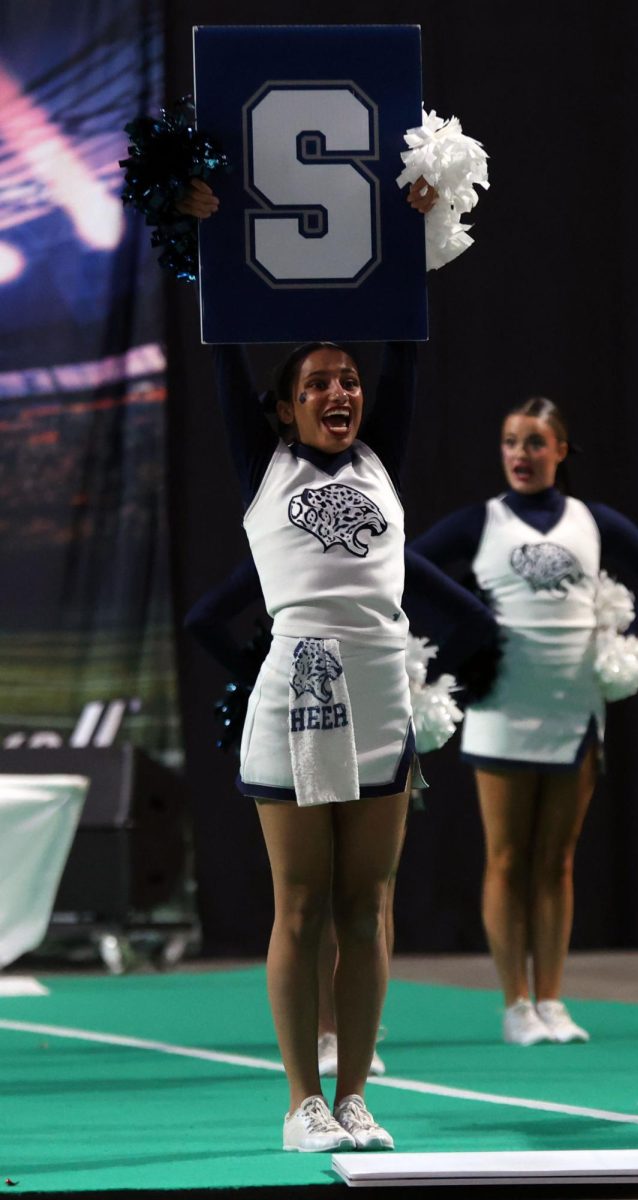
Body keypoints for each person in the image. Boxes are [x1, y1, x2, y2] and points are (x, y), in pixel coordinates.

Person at [177, 175, 437, 1153]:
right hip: (297, 686)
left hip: (378, 683)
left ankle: (358, 1093)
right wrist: (204, 245)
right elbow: (221, 352)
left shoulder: (379, 460)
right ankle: (300, 1102)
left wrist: (412, 233)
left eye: (348, 380)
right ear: (283, 409)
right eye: (318, 383)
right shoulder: (267, 464)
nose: (340, 391)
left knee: (368, 902)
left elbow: (407, 346)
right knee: (301, 899)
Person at [411, 396, 638, 1046]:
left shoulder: (593, 522)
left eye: (534, 443)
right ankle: (515, 1005)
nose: (520, 455)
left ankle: (553, 999)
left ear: (561, 451)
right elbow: (408, 563)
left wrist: (623, 628)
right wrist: (465, 627)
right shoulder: (483, 522)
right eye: (510, 441)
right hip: (502, 704)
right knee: (506, 859)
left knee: (557, 861)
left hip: (572, 704)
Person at [183, 547, 498, 1080]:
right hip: (319, 719)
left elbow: (474, 619)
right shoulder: (283, 546)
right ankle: (333, 1031)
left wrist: (420, 681)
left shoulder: (386, 548)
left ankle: (351, 1032)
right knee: (331, 896)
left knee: (367, 899)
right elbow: (203, 618)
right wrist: (265, 675)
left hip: (379, 720)